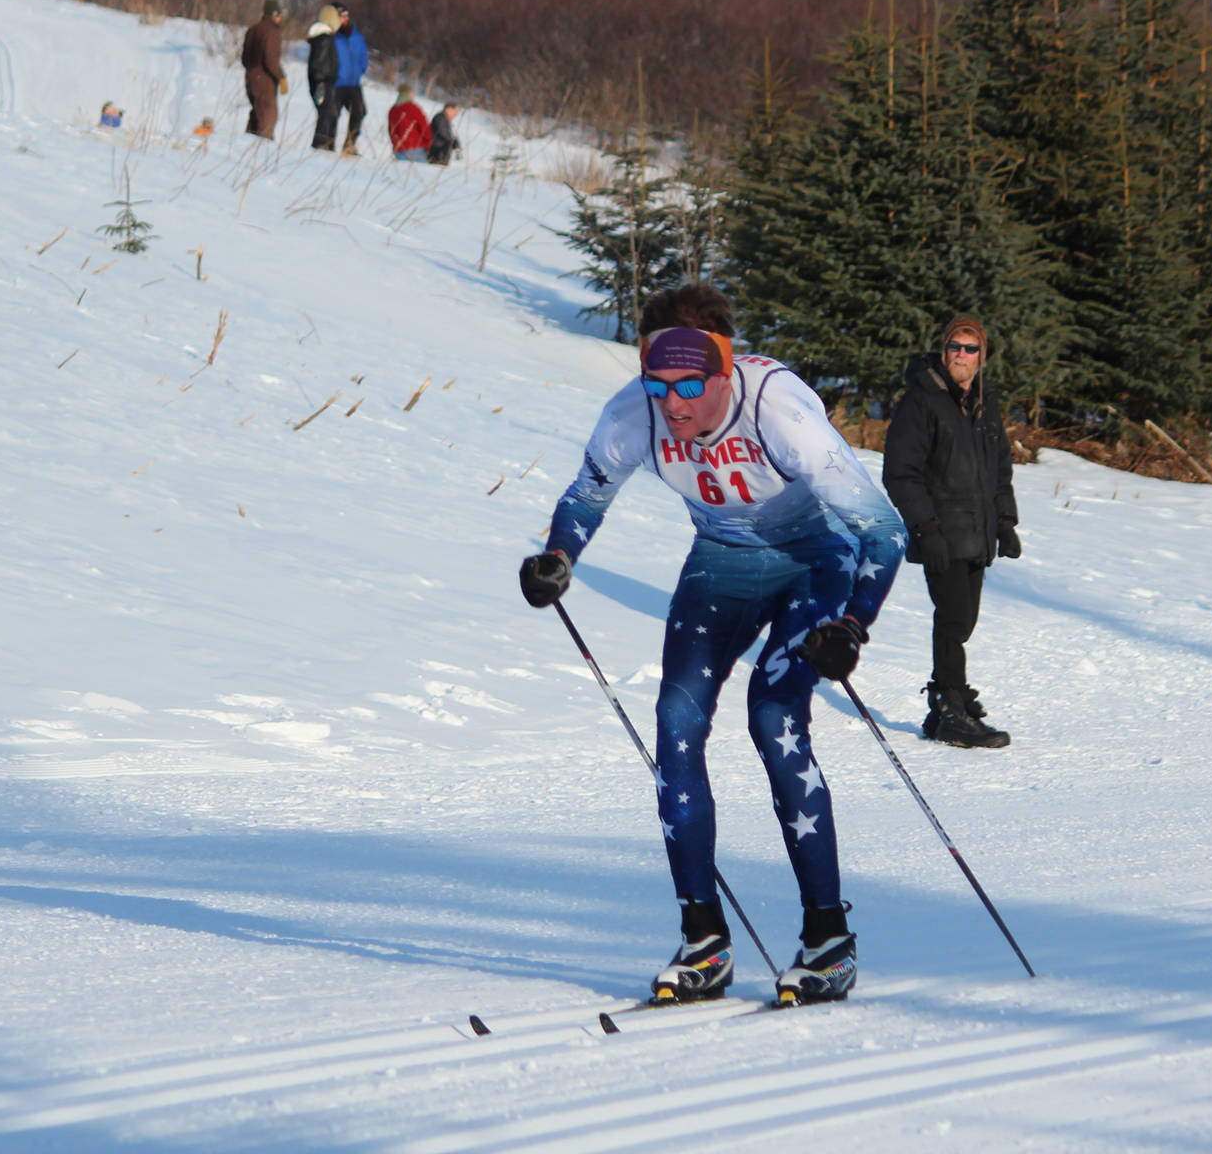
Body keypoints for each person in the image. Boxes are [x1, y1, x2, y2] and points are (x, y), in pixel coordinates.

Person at [519, 282, 905, 1005]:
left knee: (773, 717)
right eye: (657, 382)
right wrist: (559, 557)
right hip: (722, 562)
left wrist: (852, 625)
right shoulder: (634, 412)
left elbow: (885, 531)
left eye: (690, 384)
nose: (673, 403)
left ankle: (828, 941)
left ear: (725, 370)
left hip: (815, 558)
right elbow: (586, 495)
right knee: (675, 722)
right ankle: (704, 941)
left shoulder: (780, 410)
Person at [880, 316, 1020, 750]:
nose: (962, 355)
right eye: (955, 347)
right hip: (942, 531)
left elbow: (998, 467)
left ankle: (950, 698)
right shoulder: (922, 400)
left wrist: (1005, 522)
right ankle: (948, 709)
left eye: (970, 348)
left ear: (982, 357)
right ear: (944, 352)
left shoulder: (983, 402)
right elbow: (900, 472)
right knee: (954, 619)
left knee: (964, 619)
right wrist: (925, 529)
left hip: (978, 531)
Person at [240, 0, 287, 140]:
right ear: (274, 14)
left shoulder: (253, 29)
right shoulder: (272, 32)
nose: (280, 18)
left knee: (257, 113)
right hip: (264, 80)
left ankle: (246, 144)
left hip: (250, 77)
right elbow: (270, 60)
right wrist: (281, 77)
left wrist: (252, 72)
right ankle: (263, 148)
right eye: (279, 15)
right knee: (268, 116)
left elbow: (244, 58)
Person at [330, 2, 369, 155]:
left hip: (353, 83)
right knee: (332, 115)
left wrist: (361, 69)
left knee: (359, 111)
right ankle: (328, 144)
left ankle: (349, 144)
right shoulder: (332, 37)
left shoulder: (356, 36)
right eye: (341, 16)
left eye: (346, 15)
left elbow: (363, 56)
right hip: (337, 83)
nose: (345, 19)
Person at [306, 4, 342, 151]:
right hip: (323, 82)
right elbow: (318, 64)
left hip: (323, 82)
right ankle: (319, 144)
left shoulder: (324, 37)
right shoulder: (325, 39)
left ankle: (324, 144)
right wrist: (321, 82)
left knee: (328, 113)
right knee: (326, 113)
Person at [387, 85, 431, 162]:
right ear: (409, 94)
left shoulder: (393, 110)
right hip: (415, 149)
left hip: (399, 150)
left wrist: (395, 144)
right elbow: (424, 127)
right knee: (419, 169)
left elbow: (391, 130)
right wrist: (428, 143)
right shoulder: (412, 107)